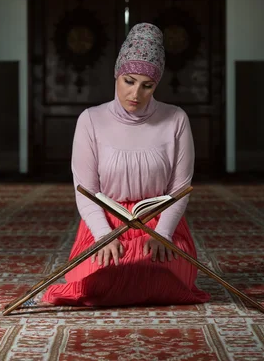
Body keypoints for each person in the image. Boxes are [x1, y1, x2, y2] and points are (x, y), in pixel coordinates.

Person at [40, 23, 210, 307]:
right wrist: (104, 236)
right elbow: (86, 190)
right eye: (129, 81)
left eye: (147, 86)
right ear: (117, 74)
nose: (136, 94)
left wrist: (163, 235)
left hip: (158, 222)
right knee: (97, 274)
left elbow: (180, 189)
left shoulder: (176, 118)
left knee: (159, 268)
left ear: (157, 84)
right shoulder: (90, 119)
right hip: (106, 220)